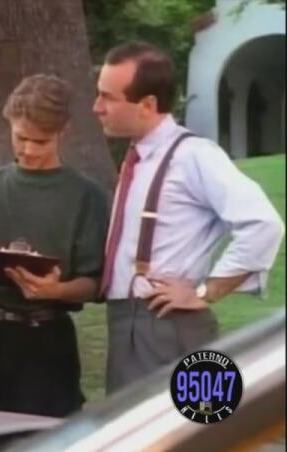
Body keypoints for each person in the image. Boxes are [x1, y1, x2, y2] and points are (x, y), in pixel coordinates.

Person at [93, 41, 285, 394]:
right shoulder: (140, 157)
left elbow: (263, 224)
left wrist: (205, 291)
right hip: (126, 322)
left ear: (147, 105)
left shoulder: (193, 156)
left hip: (168, 326)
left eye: (107, 97)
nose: (97, 107)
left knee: (191, 421)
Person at [0, 74, 109, 417]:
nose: (29, 150)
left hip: (46, 341)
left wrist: (56, 290)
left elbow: (95, 282)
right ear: (9, 123)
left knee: (44, 436)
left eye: (41, 141)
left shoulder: (86, 196)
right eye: (21, 138)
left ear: (63, 131)